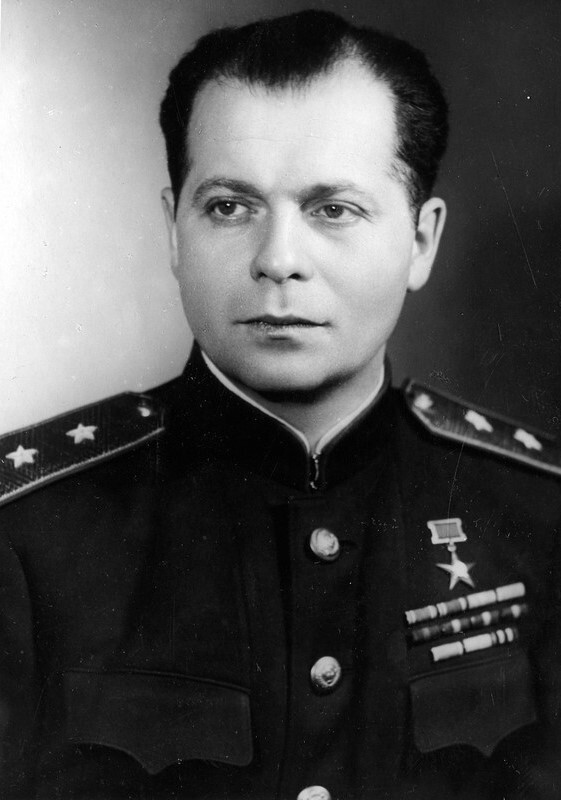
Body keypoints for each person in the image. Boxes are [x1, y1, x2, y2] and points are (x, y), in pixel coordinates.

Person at [1, 9, 560, 800]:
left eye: (333, 209)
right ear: (173, 231)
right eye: (230, 207)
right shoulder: (27, 535)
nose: (278, 260)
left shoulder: (537, 515)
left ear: (421, 241)